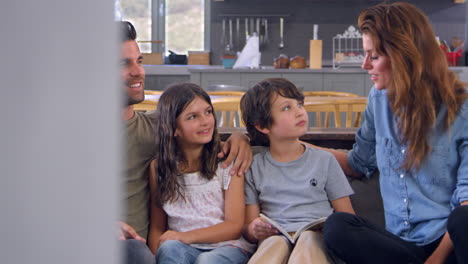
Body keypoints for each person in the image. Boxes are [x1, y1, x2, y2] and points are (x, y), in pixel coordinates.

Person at [320, 2, 468, 264]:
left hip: (448, 243)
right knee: (337, 227)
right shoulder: (377, 100)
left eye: (374, 56)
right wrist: (292, 146)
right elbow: (359, 164)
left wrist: (436, 259)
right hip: (400, 246)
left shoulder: (462, 109)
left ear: (404, 56)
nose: (365, 65)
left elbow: (466, 201)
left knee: (464, 219)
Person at [119, 21, 253, 263]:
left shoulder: (157, 126)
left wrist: (240, 137)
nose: (138, 72)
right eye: (122, 64)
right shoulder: (71, 136)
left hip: (139, 251)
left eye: (139, 61)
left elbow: (200, 129)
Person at [240, 78, 355, 263]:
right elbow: (249, 227)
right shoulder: (254, 166)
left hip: (317, 238)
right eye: (287, 108)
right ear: (262, 126)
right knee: (274, 243)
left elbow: (348, 219)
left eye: (299, 104)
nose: (299, 112)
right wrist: (255, 229)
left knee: (308, 240)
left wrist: (329, 229)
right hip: (275, 237)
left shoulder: (325, 161)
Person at [148, 83, 255, 263]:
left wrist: (185, 237)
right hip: (183, 248)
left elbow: (234, 226)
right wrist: (154, 256)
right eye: (192, 117)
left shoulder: (227, 160)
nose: (205, 121)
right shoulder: (158, 168)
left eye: (208, 112)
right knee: (168, 248)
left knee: (206, 261)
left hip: (228, 247)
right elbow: (157, 227)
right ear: (173, 128)